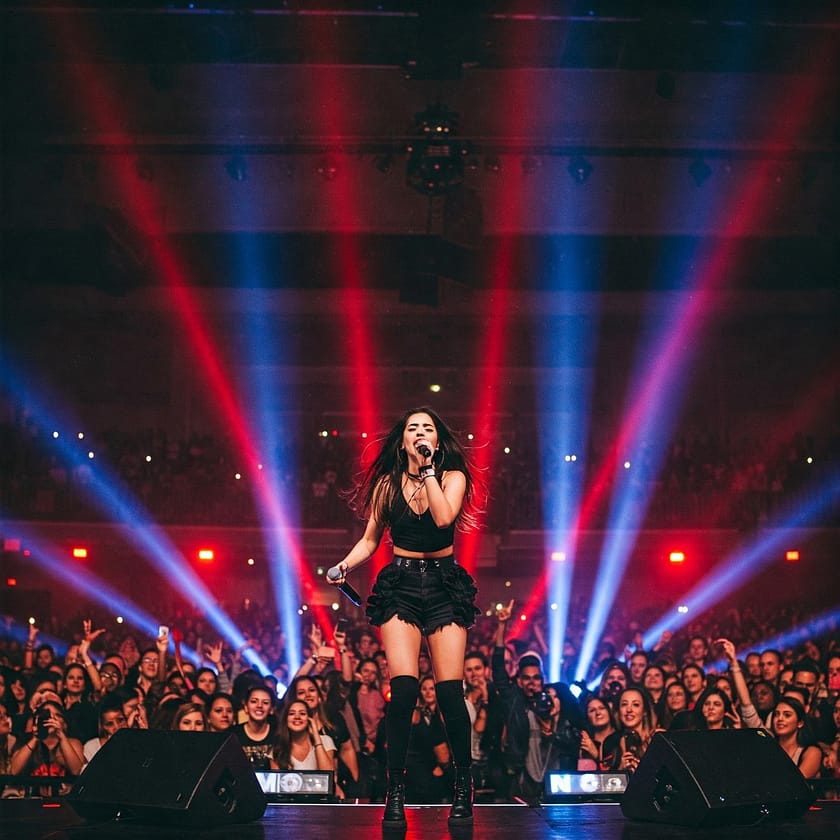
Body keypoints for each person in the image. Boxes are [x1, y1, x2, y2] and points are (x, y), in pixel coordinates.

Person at [326, 407, 483, 827]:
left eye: (427, 428)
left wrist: (429, 469)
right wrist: (344, 564)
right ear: (402, 441)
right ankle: (394, 792)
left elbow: (444, 517)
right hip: (401, 582)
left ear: (436, 439)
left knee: (450, 692)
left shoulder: (451, 476)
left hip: (444, 584)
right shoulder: (385, 485)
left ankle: (462, 789)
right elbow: (371, 539)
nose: (420, 433)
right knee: (405, 688)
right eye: (413, 428)